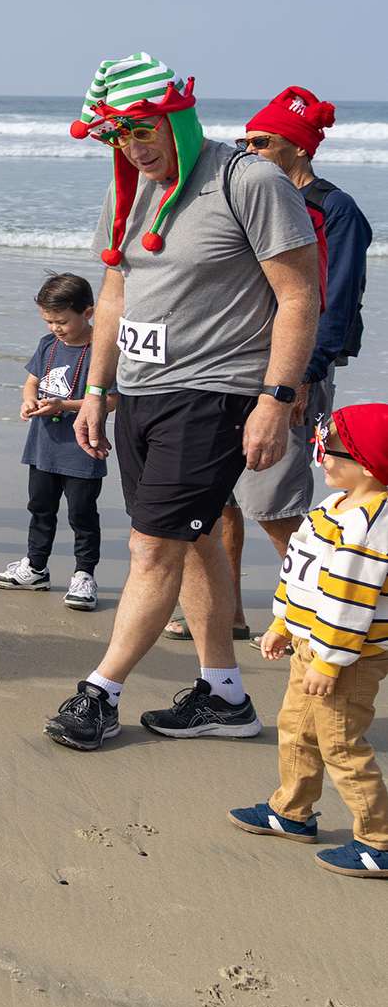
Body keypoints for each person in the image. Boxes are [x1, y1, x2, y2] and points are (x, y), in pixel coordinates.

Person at [44, 53, 319, 752]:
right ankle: (224, 697)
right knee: (193, 537)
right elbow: (113, 296)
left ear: (177, 118)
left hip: (216, 394)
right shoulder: (127, 190)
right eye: (118, 135)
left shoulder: (247, 181)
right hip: (139, 393)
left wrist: (274, 398)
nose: (133, 146)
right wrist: (97, 391)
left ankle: (100, 694)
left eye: (143, 129)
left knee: (151, 546)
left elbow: (298, 295)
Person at [168, 87, 375, 642]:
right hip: (232, 365)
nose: (250, 150)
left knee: (275, 502)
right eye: (245, 141)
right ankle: (228, 613)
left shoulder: (336, 210)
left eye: (263, 142)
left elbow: (333, 297)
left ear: (300, 149)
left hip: (291, 371)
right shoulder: (255, 198)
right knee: (223, 498)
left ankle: (319, 615)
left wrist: (304, 374)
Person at [228, 404, 388, 879]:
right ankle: (292, 812)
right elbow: (299, 573)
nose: (320, 456)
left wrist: (330, 662)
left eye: (329, 448)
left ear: (367, 461)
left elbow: (349, 603)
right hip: (311, 645)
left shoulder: (368, 527)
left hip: (345, 658)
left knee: (341, 745)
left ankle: (378, 841)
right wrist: (282, 623)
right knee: (296, 728)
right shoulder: (331, 505)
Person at [0, 273, 114, 609]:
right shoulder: (48, 344)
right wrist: (29, 401)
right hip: (43, 445)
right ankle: (35, 567)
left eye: (62, 321)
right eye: (49, 321)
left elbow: (113, 399)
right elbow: (31, 383)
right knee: (40, 509)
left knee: (82, 516)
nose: (55, 327)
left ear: (88, 312)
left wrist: (64, 406)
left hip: (83, 448)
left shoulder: (103, 348)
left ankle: (84, 576)